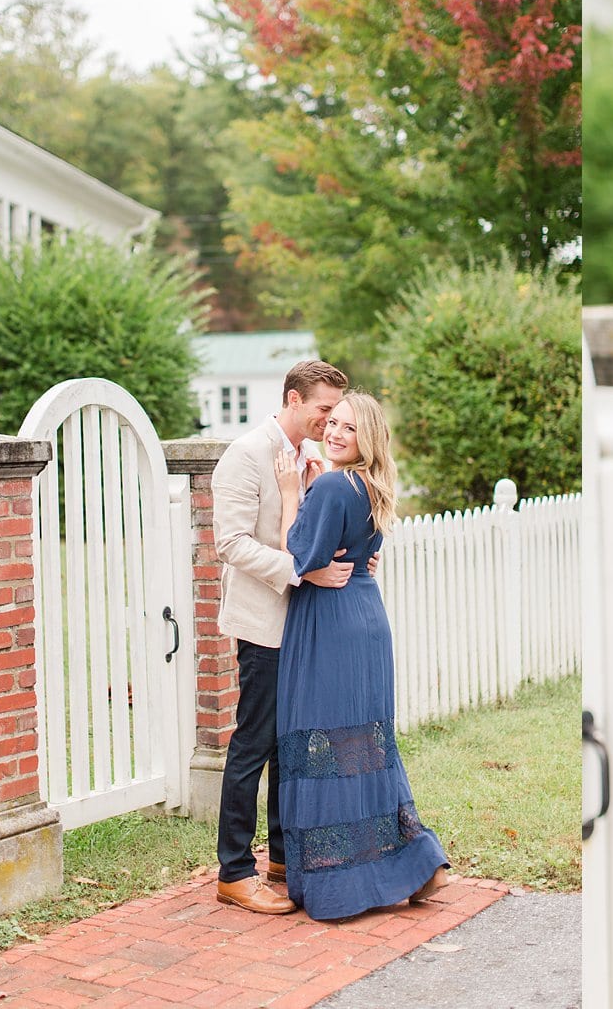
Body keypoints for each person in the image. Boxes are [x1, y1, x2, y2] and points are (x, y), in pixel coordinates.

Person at [272, 390, 449, 919]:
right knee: (366, 749)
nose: (334, 432)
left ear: (366, 438)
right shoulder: (371, 486)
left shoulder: (330, 484)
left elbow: (296, 556)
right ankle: (415, 862)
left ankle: (344, 883)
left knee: (324, 749)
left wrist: (289, 494)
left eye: (348, 428)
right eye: (333, 423)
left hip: (329, 625)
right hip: (366, 619)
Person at [212, 360, 356, 915]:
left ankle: (281, 858)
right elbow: (230, 544)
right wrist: (302, 571)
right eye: (323, 410)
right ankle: (234, 871)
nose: (329, 421)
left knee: (290, 744)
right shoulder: (245, 454)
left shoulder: (309, 459)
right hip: (264, 624)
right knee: (254, 742)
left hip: (304, 626)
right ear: (294, 399)